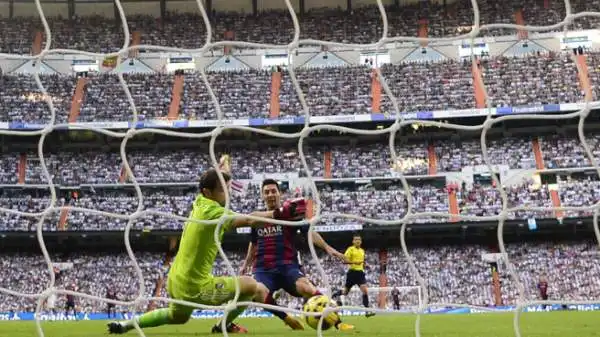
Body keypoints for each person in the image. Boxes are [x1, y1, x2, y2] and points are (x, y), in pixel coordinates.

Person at [107, 165, 306, 334]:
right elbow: (250, 219)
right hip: (195, 287)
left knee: (177, 317)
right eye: (223, 190)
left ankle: (126, 325)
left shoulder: (199, 203)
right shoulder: (212, 212)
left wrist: (222, 169)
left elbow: (211, 182)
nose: (227, 193)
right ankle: (223, 325)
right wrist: (281, 213)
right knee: (251, 285)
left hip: (175, 281)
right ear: (208, 193)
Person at [239, 179, 354, 331]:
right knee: (257, 291)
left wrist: (327, 248)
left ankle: (338, 322)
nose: (270, 194)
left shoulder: (290, 213)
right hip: (263, 269)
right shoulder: (258, 219)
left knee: (306, 287)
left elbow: (309, 232)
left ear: (280, 194)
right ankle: (288, 318)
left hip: (288, 266)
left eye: (273, 191)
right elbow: (253, 244)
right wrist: (246, 264)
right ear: (262, 196)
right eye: (266, 192)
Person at [332, 234, 375, 317]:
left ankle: (367, 311)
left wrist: (365, 265)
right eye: (356, 239)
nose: (358, 241)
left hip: (360, 274)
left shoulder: (362, 251)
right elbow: (344, 261)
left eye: (359, 239)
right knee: (345, 292)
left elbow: (361, 263)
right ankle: (335, 294)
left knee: (365, 291)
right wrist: (354, 263)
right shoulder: (350, 249)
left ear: (361, 241)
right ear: (353, 241)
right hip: (352, 273)